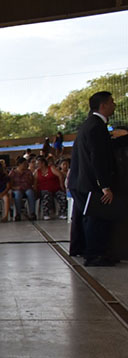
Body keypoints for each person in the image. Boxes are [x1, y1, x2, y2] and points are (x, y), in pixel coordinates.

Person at [68, 91, 125, 266]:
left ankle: (90, 251)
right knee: (95, 217)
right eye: (112, 102)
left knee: (89, 217)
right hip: (90, 183)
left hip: (81, 181)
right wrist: (105, 186)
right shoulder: (96, 127)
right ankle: (94, 255)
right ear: (103, 105)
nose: (114, 105)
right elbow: (97, 158)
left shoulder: (90, 125)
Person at [32, 155, 66, 221]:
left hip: (56, 189)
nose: (37, 165)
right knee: (46, 195)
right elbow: (35, 184)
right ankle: (46, 214)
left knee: (62, 196)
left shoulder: (51, 168)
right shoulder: (37, 172)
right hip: (44, 190)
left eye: (38, 163)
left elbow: (60, 175)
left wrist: (61, 185)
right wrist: (36, 192)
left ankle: (63, 213)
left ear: (43, 163)